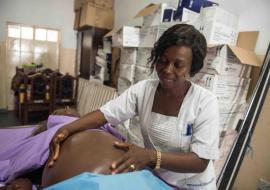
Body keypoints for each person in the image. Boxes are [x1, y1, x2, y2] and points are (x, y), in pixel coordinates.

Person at [48, 24, 220, 190]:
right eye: (162, 60)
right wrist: (67, 129)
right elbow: (106, 114)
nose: (167, 69)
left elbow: (200, 161)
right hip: (157, 179)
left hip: (192, 185)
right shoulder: (144, 90)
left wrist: (151, 157)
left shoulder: (204, 102)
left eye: (178, 65)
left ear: (192, 68)